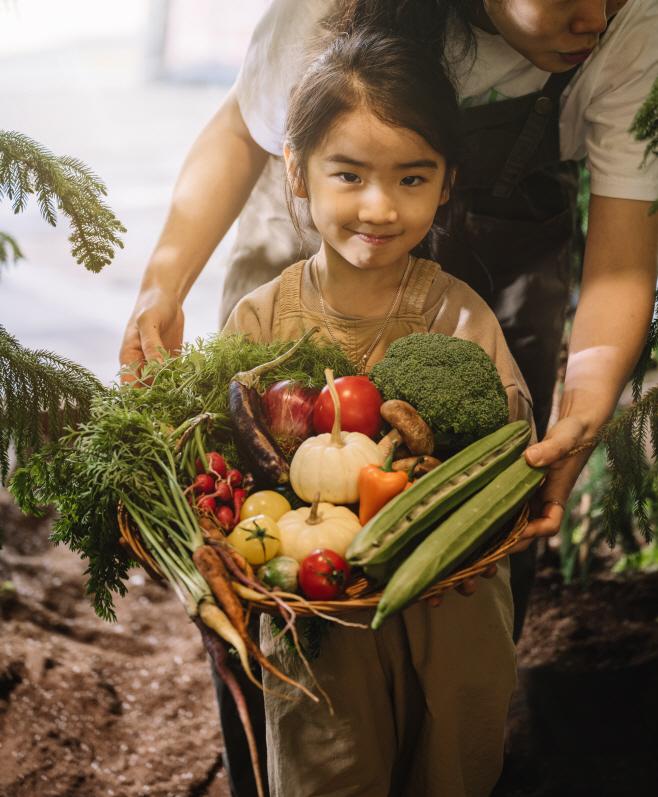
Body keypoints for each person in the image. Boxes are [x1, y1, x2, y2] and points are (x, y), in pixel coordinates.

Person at [120, 1, 658, 628]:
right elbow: (244, 129)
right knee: (255, 465)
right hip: (314, 218)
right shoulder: (327, 11)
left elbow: (622, 261)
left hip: (509, 226)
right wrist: (162, 288)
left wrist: (584, 411)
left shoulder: (634, 22)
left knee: (485, 484)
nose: (594, 18)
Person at [221, 29, 534, 796]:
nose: (379, 206)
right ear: (296, 172)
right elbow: (223, 476)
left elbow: (508, 448)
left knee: (452, 756)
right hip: (318, 616)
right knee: (328, 763)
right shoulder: (261, 323)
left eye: (412, 178)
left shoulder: (457, 316)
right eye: (349, 174)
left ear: (448, 182)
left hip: (449, 598)